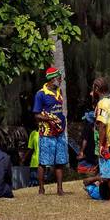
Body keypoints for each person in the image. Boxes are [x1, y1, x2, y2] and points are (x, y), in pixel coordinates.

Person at [32, 67, 69, 195]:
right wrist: (49, 119)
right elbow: (36, 114)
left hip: (60, 131)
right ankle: (41, 189)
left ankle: (60, 189)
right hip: (47, 133)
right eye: (58, 77)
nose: (60, 79)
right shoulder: (41, 94)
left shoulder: (60, 91)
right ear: (52, 79)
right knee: (43, 162)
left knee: (60, 161)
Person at [91, 76, 110, 201]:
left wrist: (101, 144)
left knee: (109, 168)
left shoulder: (103, 103)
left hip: (107, 140)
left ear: (97, 88)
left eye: (93, 88)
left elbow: (102, 125)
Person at [21, 115, 40, 188]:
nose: (38, 123)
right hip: (34, 162)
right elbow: (30, 148)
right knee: (34, 182)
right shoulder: (33, 133)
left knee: (44, 181)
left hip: (45, 161)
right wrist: (24, 158)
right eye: (37, 121)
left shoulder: (47, 133)